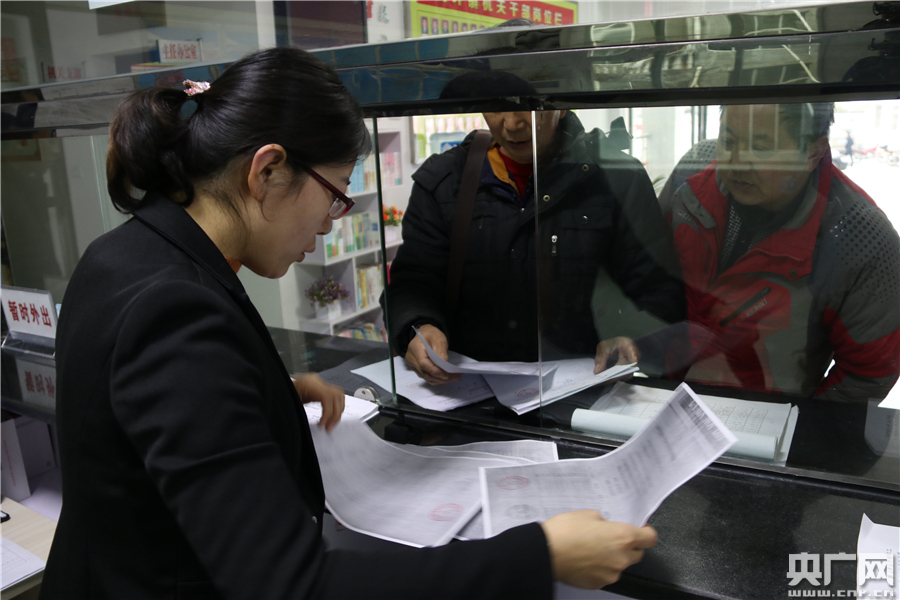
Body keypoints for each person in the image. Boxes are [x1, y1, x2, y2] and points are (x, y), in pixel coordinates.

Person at [39, 48, 657, 600]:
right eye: (335, 192)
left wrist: (264, 393)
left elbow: (144, 417)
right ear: (267, 170)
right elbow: (295, 585)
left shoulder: (120, 255)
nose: (333, 220)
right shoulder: (176, 310)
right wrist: (541, 555)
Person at [386, 94, 684, 386]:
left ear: (561, 105)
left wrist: (631, 337)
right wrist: (418, 326)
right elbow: (412, 281)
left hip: (582, 387)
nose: (512, 124)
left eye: (530, 106)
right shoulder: (445, 180)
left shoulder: (616, 177)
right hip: (468, 388)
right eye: (495, 105)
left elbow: (659, 287)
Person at [667, 102, 899, 401]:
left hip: (767, 415)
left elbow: (868, 373)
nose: (737, 163)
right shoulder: (691, 178)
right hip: (664, 398)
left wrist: (801, 424)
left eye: (761, 148)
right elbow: (643, 278)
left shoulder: (859, 235)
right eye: (728, 141)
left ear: (813, 152)